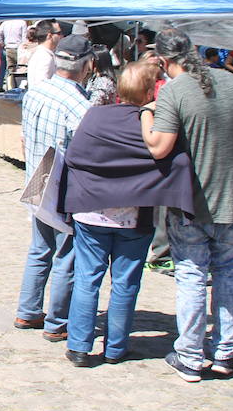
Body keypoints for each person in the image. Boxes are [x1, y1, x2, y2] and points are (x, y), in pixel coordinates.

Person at [59, 62, 195, 366]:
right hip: (134, 216)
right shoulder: (154, 123)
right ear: (150, 91)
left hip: (92, 212)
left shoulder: (95, 115)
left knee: (87, 278)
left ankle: (80, 346)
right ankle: (116, 348)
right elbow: (171, 163)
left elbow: (75, 157)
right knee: (125, 282)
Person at [141, 28, 233, 382]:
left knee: (191, 275)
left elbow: (159, 147)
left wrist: (147, 114)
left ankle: (190, 355)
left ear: (162, 60)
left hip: (193, 199)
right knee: (227, 274)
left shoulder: (174, 91)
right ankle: (224, 352)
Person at [15, 34, 92, 342]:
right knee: (65, 254)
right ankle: (56, 320)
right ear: (86, 66)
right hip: (61, 186)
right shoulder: (79, 105)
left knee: (40, 248)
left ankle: (28, 310)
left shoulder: (36, 91)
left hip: (37, 179)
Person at [26, 20, 62, 86]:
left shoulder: (41, 53)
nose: (62, 36)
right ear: (50, 36)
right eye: (59, 33)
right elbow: (41, 85)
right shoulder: (45, 57)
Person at [0, 17, 28, 89]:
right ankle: (14, 87)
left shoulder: (5, 23)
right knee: (18, 69)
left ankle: (2, 86)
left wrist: (2, 43)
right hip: (18, 48)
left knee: (5, 69)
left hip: (7, 48)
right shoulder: (22, 22)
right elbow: (24, 38)